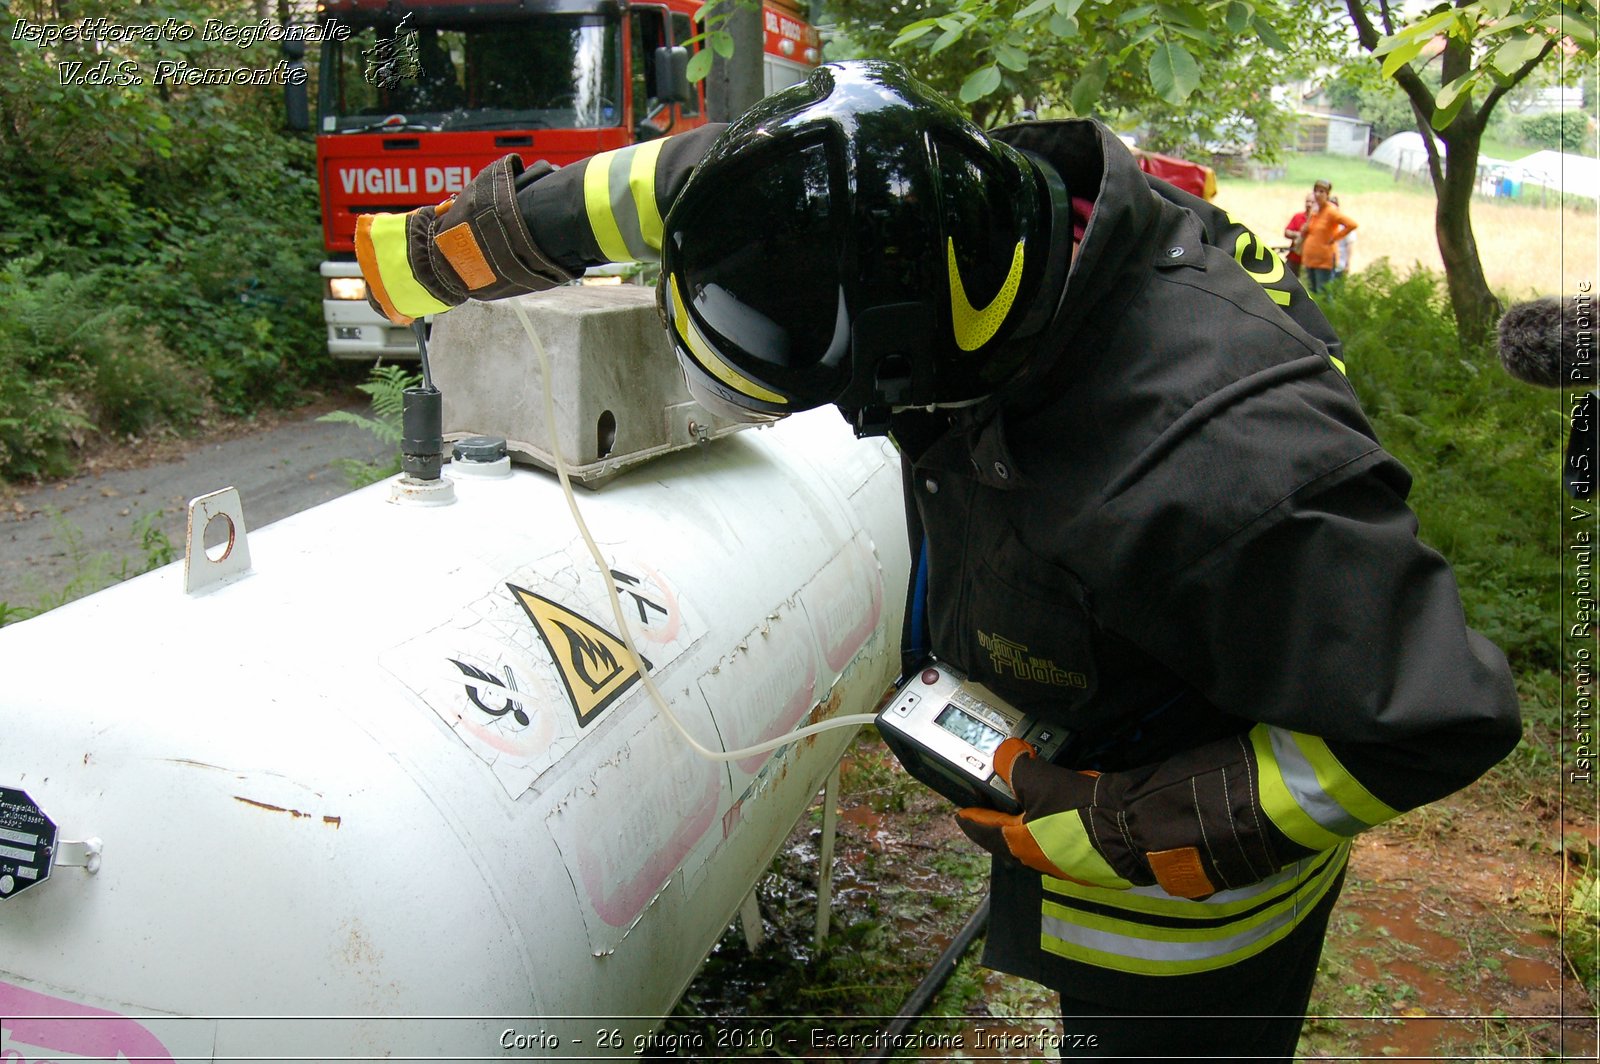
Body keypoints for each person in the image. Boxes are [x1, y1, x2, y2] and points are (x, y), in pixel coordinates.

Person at [354, 62, 1520, 1059]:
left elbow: (1431, 718)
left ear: (919, 367)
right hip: (1090, 737)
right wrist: (455, 250)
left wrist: (1123, 821)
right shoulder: (881, 187)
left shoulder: (1222, 464)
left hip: (1193, 932)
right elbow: (673, 182)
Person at [1299, 178, 1357, 294]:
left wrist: (1335, 237)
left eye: (1321, 192)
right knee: (1311, 294)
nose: (1317, 194)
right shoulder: (1315, 211)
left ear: (1327, 194)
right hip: (1310, 259)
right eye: (1316, 191)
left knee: (1323, 294)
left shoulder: (1331, 211)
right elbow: (1308, 230)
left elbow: (1351, 224)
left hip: (1323, 261)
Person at [1283, 191, 1314, 278]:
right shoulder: (1298, 216)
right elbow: (1287, 232)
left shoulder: (1318, 220)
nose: (1309, 204)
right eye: (1307, 201)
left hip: (1310, 261)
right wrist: (1298, 235)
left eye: (1312, 202)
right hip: (1294, 257)